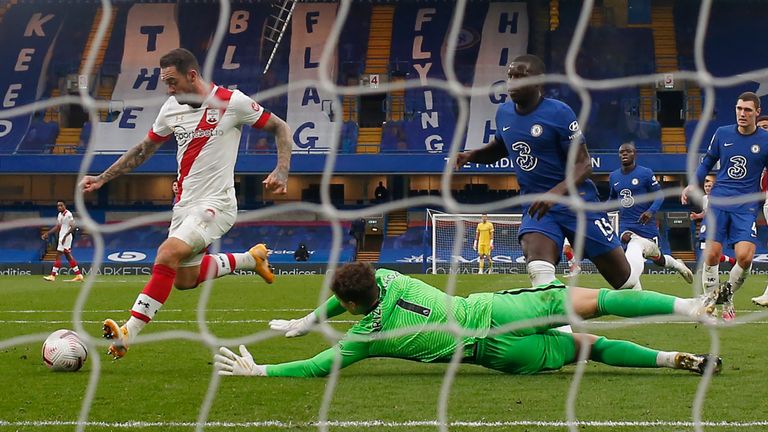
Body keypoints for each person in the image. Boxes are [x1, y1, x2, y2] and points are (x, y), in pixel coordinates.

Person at [80, 48, 292, 358]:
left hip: (216, 204)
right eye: (166, 83)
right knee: (184, 280)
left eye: (172, 81)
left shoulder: (231, 102)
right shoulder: (171, 108)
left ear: (192, 75)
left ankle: (128, 332)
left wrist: (282, 170)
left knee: (166, 254)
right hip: (183, 207)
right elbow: (143, 149)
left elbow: (281, 127)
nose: (169, 89)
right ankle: (251, 259)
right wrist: (102, 178)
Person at [216, 262, 721, 377]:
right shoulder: (388, 275)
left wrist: (263, 370)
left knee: (585, 345)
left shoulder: (366, 336)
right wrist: (310, 315)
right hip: (496, 309)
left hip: (496, 352)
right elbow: (346, 296)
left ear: (351, 305)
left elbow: (318, 366)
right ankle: (689, 308)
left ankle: (672, 360)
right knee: (598, 302)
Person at [456, 54, 659, 291]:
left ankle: (636, 246)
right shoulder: (504, 113)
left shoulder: (559, 113)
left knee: (626, 283)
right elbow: (501, 147)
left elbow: (584, 165)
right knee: (538, 270)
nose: (512, 82)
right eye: (510, 76)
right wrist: (472, 155)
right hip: (538, 208)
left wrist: (554, 194)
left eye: (521, 76)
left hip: (577, 204)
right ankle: (560, 328)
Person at [682, 92, 768, 320]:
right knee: (712, 254)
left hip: (746, 205)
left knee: (746, 256)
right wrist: (693, 184)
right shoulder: (722, 134)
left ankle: (726, 294)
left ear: (757, 113)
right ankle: (710, 302)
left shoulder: (765, 141)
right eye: (739, 109)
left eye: (748, 110)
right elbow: (708, 161)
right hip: (720, 201)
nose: (742, 114)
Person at [608, 142, 692, 282]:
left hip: (646, 225)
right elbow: (612, 200)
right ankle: (633, 289)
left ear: (635, 153)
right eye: (621, 152)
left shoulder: (645, 173)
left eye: (628, 151)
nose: (624, 154)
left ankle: (677, 265)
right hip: (626, 225)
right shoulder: (613, 177)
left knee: (658, 259)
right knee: (628, 248)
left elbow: (659, 195)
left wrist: (650, 211)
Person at [689, 177, 736, 266]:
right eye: (706, 186)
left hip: (716, 226)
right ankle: (729, 260)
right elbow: (706, 212)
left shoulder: (719, 198)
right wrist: (697, 216)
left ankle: (725, 263)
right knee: (705, 251)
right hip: (705, 225)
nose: (707, 188)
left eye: (709, 186)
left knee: (711, 252)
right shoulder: (704, 198)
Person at [41, 200, 83, 282]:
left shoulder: (68, 214)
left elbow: (73, 226)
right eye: (58, 206)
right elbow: (57, 227)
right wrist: (47, 233)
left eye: (61, 205)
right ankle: (78, 275)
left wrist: (65, 236)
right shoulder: (60, 215)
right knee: (67, 256)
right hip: (62, 237)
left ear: (65, 206)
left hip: (66, 237)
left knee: (58, 255)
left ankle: (52, 275)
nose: (59, 207)